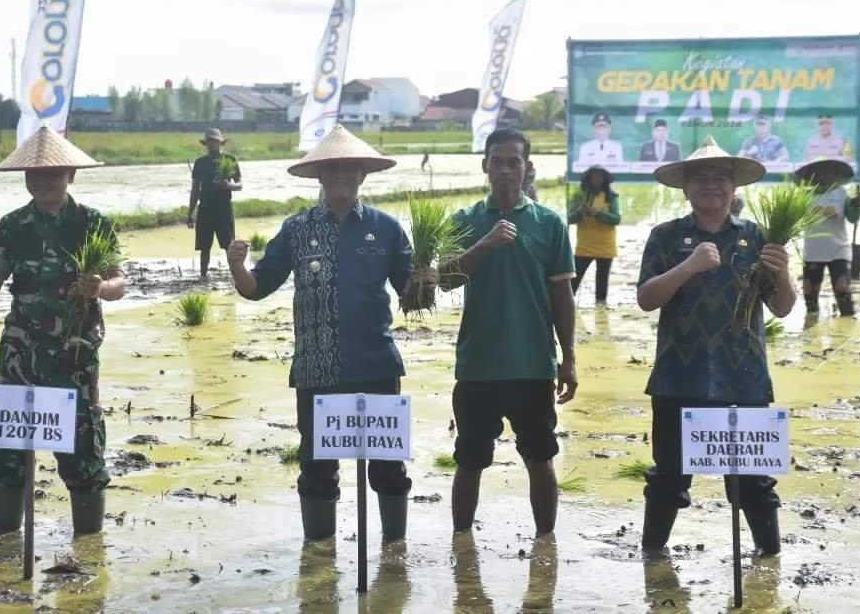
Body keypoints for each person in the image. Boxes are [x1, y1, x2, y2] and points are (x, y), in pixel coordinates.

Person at [226, 124, 429, 542]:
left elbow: (412, 298)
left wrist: (428, 274)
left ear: (363, 175)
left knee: (388, 467)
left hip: (376, 364)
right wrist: (236, 266)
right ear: (319, 174)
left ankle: (394, 554)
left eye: (349, 168)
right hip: (317, 367)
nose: (341, 175)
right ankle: (319, 557)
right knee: (318, 467)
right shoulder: (297, 229)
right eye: (332, 168)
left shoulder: (386, 228)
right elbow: (257, 287)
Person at [0, 125, 127, 536]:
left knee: (82, 445)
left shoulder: (92, 223)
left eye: (53, 174)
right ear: (26, 179)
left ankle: (88, 545)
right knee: (9, 450)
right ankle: (4, 542)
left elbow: (119, 283)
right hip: (20, 355)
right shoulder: (12, 226)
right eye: (35, 175)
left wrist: (100, 288)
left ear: (70, 175)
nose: (43, 182)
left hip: (74, 355)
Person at [636, 136, 796, 556]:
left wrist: (783, 272)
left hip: (744, 378)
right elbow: (647, 299)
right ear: (685, 188)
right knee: (669, 477)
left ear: (733, 187)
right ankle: (653, 560)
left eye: (721, 178)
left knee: (752, 482)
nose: (711, 185)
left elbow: (782, 307)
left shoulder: (758, 236)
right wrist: (688, 267)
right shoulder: (665, 236)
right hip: (678, 378)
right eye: (701, 178)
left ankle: (768, 562)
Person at [440, 128, 577, 536]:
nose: (504, 170)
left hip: (532, 364)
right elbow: (445, 280)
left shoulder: (549, 223)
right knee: (469, 459)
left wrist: (568, 358)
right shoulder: (464, 221)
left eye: (513, 162)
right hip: (478, 364)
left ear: (527, 167)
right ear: (485, 166)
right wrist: (485, 244)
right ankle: (461, 543)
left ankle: (545, 544)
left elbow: (563, 296)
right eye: (496, 161)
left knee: (540, 457)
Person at [795, 159, 860, 316]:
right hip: (813, 251)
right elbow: (795, 218)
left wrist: (856, 206)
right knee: (810, 292)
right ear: (812, 176)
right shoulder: (805, 195)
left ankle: (848, 320)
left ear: (835, 175)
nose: (825, 175)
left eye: (829, 172)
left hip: (838, 249)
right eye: (820, 172)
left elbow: (853, 218)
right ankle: (811, 322)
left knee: (842, 288)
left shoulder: (841, 194)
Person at [187, 128, 242, 279]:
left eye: (215, 141)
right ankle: (203, 277)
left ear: (220, 143)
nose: (212, 144)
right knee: (204, 247)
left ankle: (237, 276)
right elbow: (195, 190)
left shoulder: (229, 160)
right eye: (209, 141)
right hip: (205, 209)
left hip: (224, 209)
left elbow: (240, 185)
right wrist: (190, 213)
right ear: (205, 144)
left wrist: (228, 186)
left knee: (229, 245)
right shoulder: (200, 163)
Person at [568, 166, 621, 304]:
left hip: (606, 246)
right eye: (593, 176)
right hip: (584, 246)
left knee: (602, 282)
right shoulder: (579, 196)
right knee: (573, 281)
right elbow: (569, 218)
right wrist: (580, 213)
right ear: (588, 179)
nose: (596, 179)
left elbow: (616, 219)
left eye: (599, 176)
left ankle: (601, 308)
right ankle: (565, 305)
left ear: (604, 180)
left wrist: (598, 213)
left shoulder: (612, 197)